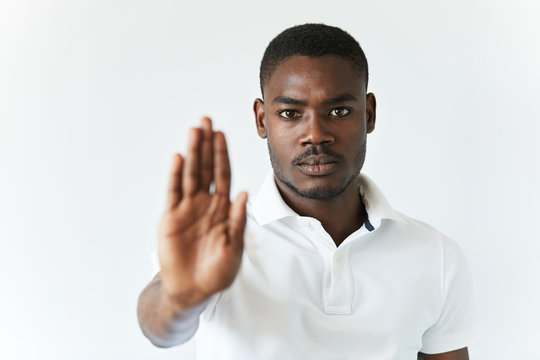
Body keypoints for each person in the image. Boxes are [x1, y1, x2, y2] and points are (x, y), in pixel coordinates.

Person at [137, 23, 481, 360]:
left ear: (369, 114)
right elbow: (162, 327)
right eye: (290, 113)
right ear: (261, 120)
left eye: (339, 111)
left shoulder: (435, 256)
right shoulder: (219, 242)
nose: (315, 134)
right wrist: (181, 297)